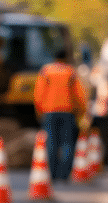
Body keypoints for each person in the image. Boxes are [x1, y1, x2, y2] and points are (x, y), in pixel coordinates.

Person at [33, 48, 87, 182]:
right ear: (66, 58)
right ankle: (64, 174)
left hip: (49, 111)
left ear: (55, 58)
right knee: (67, 143)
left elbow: (39, 93)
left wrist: (39, 111)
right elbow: (79, 95)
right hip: (67, 111)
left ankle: (52, 173)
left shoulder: (46, 71)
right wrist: (81, 112)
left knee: (51, 142)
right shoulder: (71, 72)